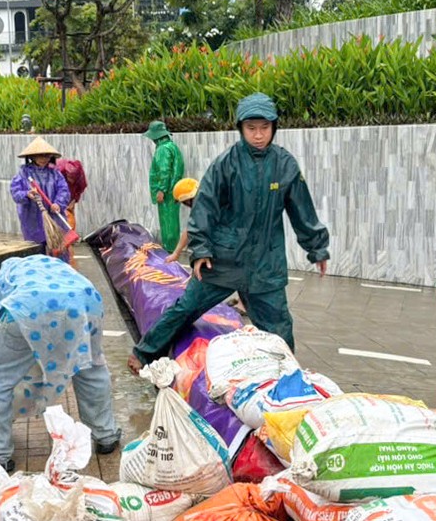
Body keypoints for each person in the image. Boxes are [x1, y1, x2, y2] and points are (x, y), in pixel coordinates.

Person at [129, 93, 330, 372]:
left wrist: (316, 247)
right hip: (222, 259)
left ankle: (289, 377)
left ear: (274, 127)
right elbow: (205, 209)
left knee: (279, 326)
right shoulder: (226, 164)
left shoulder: (285, 165)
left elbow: (302, 210)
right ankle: (143, 353)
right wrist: (200, 250)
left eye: (264, 128)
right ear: (241, 128)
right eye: (251, 128)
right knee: (185, 308)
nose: (258, 135)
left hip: (265, 263)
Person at [0, 255, 123, 473]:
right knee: (90, 367)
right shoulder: (56, 268)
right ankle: (106, 435)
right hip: (86, 301)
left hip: (29, 306)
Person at [10, 136, 71, 248]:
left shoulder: (55, 174)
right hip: (32, 219)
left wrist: (58, 203)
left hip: (54, 217)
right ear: (32, 156)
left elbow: (64, 190)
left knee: (58, 247)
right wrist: (27, 194)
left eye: (47, 155)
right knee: (36, 248)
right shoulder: (23, 174)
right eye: (40, 155)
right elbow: (16, 193)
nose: (44, 158)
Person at [144, 120, 185, 253]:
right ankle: (174, 248)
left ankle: (169, 249)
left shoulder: (162, 149)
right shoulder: (172, 147)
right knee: (173, 221)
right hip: (174, 191)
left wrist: (161, 190)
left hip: (167, 193)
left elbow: (164, 171)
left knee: (167, 222)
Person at [164, 177, 199, 264]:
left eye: (184, 202)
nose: (185, 205)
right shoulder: (205, 200)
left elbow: (189, 230)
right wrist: (176, 253)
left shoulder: (201, 206)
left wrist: (176, 253)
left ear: (188, 199)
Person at [56, 156, 87, 232]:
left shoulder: (81, 180)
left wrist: (74, 200)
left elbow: (80, 190)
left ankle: (70, 235)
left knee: (70, 216)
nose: (71, 179)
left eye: (73, 177)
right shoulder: (59, 172)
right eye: (69, 176)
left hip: (72, 194)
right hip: (58, 196)